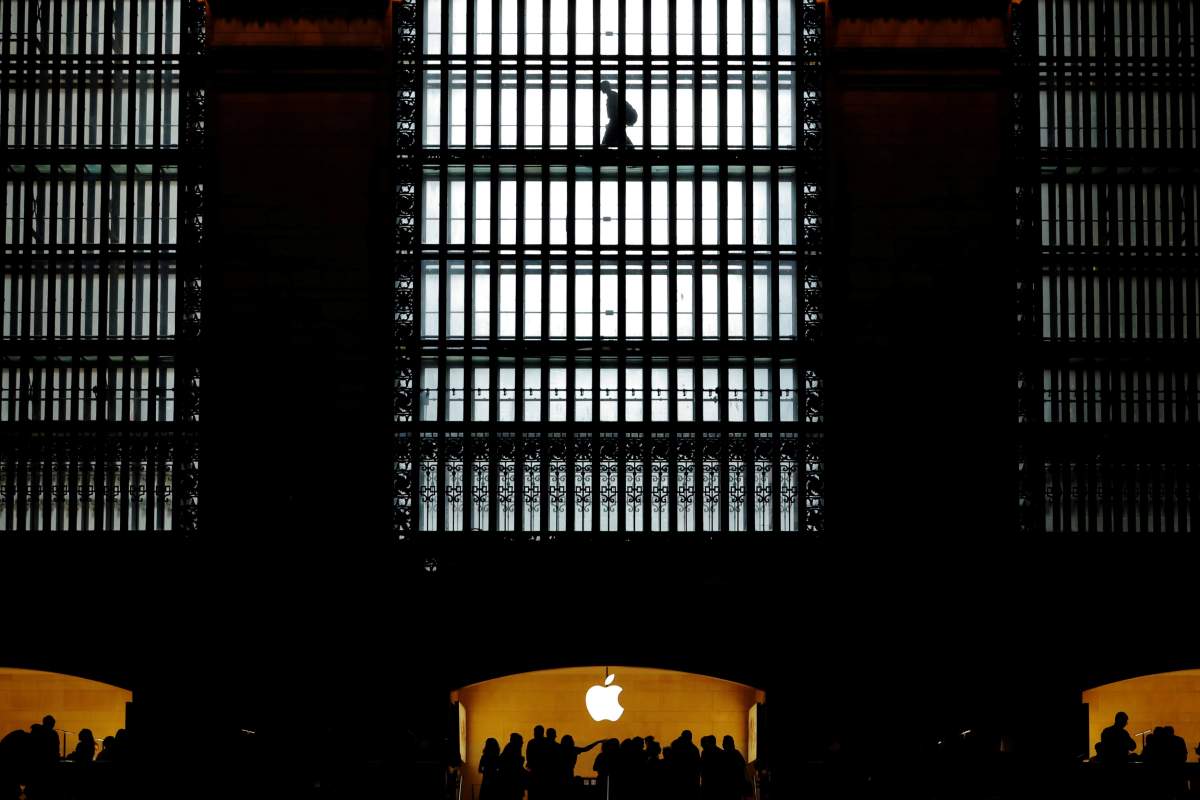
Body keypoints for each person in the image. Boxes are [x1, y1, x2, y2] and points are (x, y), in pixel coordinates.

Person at [599, 80, 637, 147]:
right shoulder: (614, 95)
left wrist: (611, 124)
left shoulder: (611, 97)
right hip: (621, 121)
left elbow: (612, 115)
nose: (601, 89)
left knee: (606, 141)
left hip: (618, 121)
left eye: (601, 87)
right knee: (622, 137)